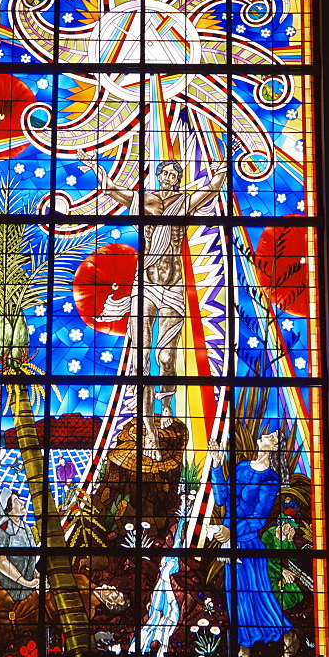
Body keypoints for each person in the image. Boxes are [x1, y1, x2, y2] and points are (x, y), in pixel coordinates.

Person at [79, 151, 228, 461]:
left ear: (179, 179)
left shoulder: (183, 203)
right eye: (166, 175)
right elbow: (113, 191)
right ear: (159, 177)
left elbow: (212, 188)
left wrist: (221, 172)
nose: (170, 179)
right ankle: (148, 432)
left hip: (173, 286)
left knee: (165, 355)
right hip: (145, 285)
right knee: (141, 362)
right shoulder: (145, 202)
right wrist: (95, 167)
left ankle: (166, 402)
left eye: (176, 176)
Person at [208, 430, 299, 657]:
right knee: (236, 597)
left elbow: (259, 519)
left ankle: (288, 635)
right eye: (268, 433)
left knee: (258, 596)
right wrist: (217, 466)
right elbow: (222, 499)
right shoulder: (240, 467)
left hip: (248, 544)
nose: (267, 434)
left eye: (272, 436)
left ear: (275, 447)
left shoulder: (270, 479)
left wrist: (232, 531)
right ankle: (244, 649)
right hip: (229, 541)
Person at [0, 488, 39, 602]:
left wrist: (36, 575)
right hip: (4, 593)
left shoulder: (25, 528)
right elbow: (0, 561)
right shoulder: (1, 529)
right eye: (16, 501)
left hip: (25, 592)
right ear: (8, 509)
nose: (22, 503)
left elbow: (31, 556)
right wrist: (25, 582)